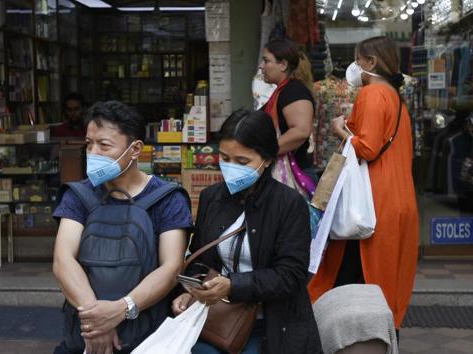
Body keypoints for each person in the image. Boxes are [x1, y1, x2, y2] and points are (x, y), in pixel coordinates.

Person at [172, 109, 322, 354]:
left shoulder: (289, 204)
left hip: (270, 324)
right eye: (224, 158)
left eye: (242, 162)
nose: (230, 168)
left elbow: (291, 275)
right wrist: (190, 292)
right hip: (215, 319)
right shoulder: (212, 197)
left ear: (267, 159)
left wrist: (233, 285)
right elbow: (200, 258)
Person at [52, 100, 193, 354]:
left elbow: (171, 267)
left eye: (104, 145)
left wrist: (120, 310)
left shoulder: (168, 198)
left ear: (135, 149)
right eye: (89, 144)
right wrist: (97, 321)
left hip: (148, 336)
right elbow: (63, 260)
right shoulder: (78, 194)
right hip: (86, 333)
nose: (93, 153)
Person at [308, 36, 419, 334]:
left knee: (356, 281)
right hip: (397, 198)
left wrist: (340, 130)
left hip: (371, 201)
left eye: (358, 60)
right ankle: (380, 338)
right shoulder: (396, 98)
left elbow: (367, 149)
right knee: (384, 277)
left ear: (371, 62)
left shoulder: (371, 95)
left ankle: (356, 341)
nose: (355, 67)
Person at [260, 39, 317, 185]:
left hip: (295, 175)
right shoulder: (282, 92)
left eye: (266, 61)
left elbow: (300, 131)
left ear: (283, 65)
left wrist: (264, 153)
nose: (261, 66)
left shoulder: (294, 91)